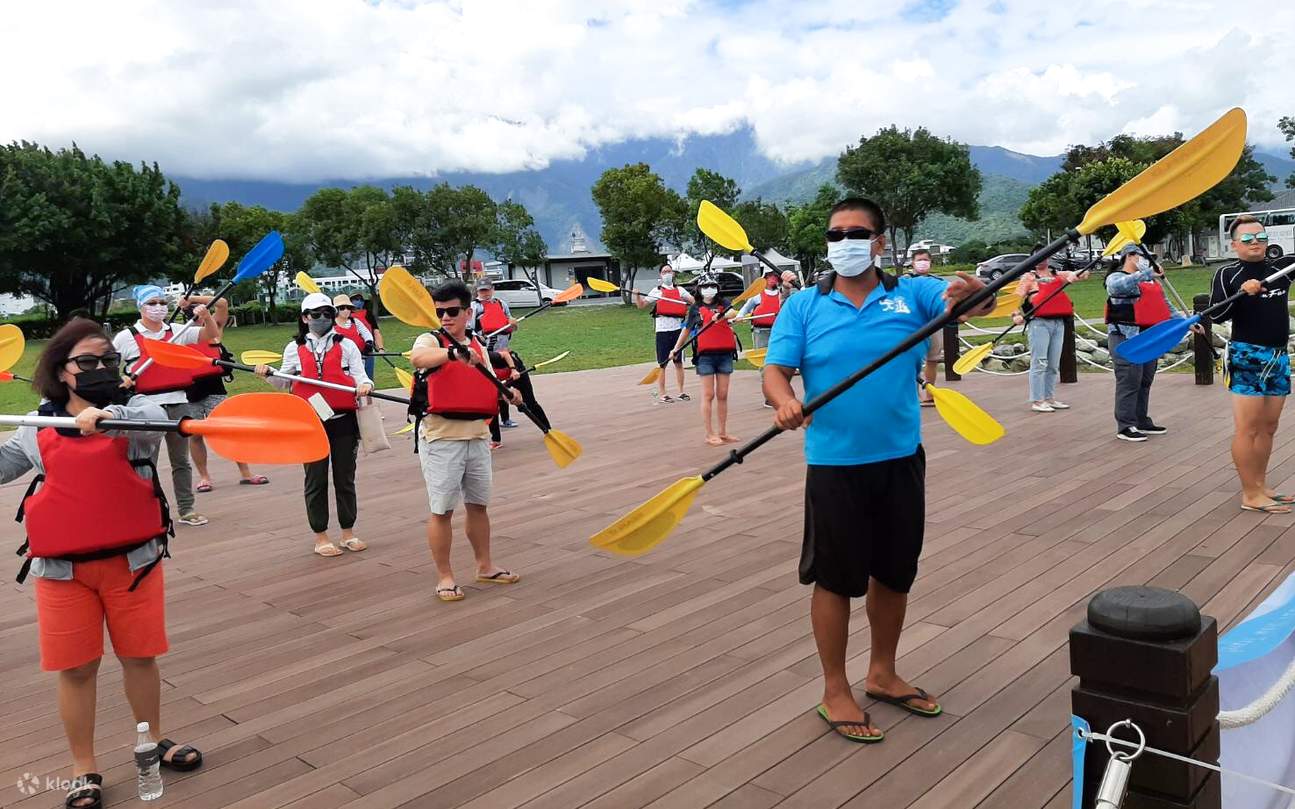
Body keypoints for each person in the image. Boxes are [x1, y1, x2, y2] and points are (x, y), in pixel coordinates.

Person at [763, 197, 993, 744]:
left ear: (879, 242)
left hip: (899, 459)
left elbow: (966, 306)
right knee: (835, 579)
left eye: (856, 232)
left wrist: (973, 297)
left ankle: (883, 672)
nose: (844, 241)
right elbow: (776, 370)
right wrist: (784, 400)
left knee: (894, 572)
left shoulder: (910, 293)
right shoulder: (803, 306)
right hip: (835, 465)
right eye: (835, 234)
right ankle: (835, 687)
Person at [4, 318, 203, 809]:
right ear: (61, 370)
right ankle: (83, 767)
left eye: (107, 362)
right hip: (61, 572)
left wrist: (106, 413)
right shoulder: (38, 427)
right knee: (76, 669)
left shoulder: (137, 412)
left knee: (139, 658)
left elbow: (156, 418)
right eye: (86, 363)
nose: (99, 370)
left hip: (133, 566)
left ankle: (152, 742)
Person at [409, 280, 523, 602]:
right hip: (441, 437)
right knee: (442, 510)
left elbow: (487, 380)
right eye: (440, 311)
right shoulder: (429, 340)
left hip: (477, 436)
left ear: (468, 312)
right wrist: (449, 353)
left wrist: (509, 393)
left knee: (478, 506)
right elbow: (418, 358)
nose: (446, 317)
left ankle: (485, 566)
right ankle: (445, 576)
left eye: (453, 311)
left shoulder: (478, 345)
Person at [253, 293, 372, 557]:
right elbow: (283, 382)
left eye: (327, 314)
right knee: (316, 479)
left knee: (345, 477)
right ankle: (320, 536)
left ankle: (348, 533)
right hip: (310, 422)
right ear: (305, 318)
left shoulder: (347, 345)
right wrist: (268, 375)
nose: (322, 319)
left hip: (342, 420)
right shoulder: (294, 348)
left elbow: (360, 376)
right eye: (316, 315)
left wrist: (365, 385)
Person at [112, 285, 220, 527]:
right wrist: (122, 378)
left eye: (162, 302)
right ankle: (146, 510)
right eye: (152, 303)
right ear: (141, 306)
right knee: (145, 461)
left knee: (180, 461)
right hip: (145, 407)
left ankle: (186, 508)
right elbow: (109, 365)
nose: (158, 307)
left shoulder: (178, 332)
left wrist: (206, 316)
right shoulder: (126, 336)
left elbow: (209, 335)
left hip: (178, 402)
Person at [1210, 215, 1292, 513]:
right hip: (1247, 355)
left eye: (1259, 236)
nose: (1254, 242)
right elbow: (1216, 315)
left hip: (1278, 355)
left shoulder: (1282, 268)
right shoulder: (1226, 274)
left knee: (1269, 427)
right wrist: (1242, 294)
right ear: (1234, 245)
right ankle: (1249, 494)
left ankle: (1260, 485)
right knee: (1248, 428)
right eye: (1246, 239)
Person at [182, 294, 269, 491]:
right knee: (195, 435)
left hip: (214, 387)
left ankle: (246, 473)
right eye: (192, 313)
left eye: (200, 311)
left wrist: (193, 298)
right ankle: (204, 477)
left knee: (229, 430)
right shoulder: (181, 334)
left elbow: (222, 303)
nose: (197, 316)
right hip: (190, 390)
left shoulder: (214, 327)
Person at [1105, 243, 1172, 441]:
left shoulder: (1151, 282)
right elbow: (1117, 287)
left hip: (1148, 337)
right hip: (1126, 338)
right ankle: (1125, 425)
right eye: (1144, 257)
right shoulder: (1116, 277)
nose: (1147, 261)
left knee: (1145, 380)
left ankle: (1141, 419)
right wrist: (1147, 273)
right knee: (1129, 381)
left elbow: (1165, 304)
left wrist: (1185, 323)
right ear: (1130, 256)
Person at [671, 275, 740, 446]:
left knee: (722, 394)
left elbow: (732, 312)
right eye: (706, 286)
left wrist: (721, 315)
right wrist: (676, 348)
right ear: (700, 289)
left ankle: (723, 432)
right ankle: (710, 433)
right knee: (708, 395)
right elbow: (686, 330)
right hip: (706, 356)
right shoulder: (696, 308)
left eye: (712, 286)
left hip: (724, 354)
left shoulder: (723, 303)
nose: (709, 289)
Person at [1013, 251, 1085, 413]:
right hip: (1039, 323)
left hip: (1058, 322)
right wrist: (1016, 315)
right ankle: (1037, 400)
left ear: (1048, 258)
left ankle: (1049, 397)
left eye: (1043, 256)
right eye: (1037, 257)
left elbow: (1080, 275)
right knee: (1039, 362)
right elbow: (1015, 299)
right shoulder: (1028, 278)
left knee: (1053, 364)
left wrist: (1080, 273)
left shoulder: (1056, 274)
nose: (1040, 260)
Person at [633, 264, 694, 404]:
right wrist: (637, 296)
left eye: (669, 271)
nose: (667, 273)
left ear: (673, 274)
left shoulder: (680, 290)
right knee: (663, 364)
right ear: (661, 275)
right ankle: (663, 394)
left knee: (678, 362)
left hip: (677, 331)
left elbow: (694, 302)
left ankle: (681, 391)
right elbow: (641, 305)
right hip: (662, 331)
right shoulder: (657, 291)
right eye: (664, 272)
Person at [904, 249, 947, 406]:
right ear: (913, 262)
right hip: (913, 326)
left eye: (925, 260)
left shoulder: (938, 282)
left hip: (934, 324)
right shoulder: (905, 282)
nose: (923, 263)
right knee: (911, 361)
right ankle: (912, 396)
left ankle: (930, 394)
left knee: (932, 359)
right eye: (919, 260)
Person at [348, 291, 385, 381]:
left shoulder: (368, 315)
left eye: (360, 299)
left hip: (367, 352)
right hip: (350, 354)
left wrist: (381, 348)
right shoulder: (345, 316)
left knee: (368, 379)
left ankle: (368, 394)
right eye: (355, 299)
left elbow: (376, 332)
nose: (359, 301)